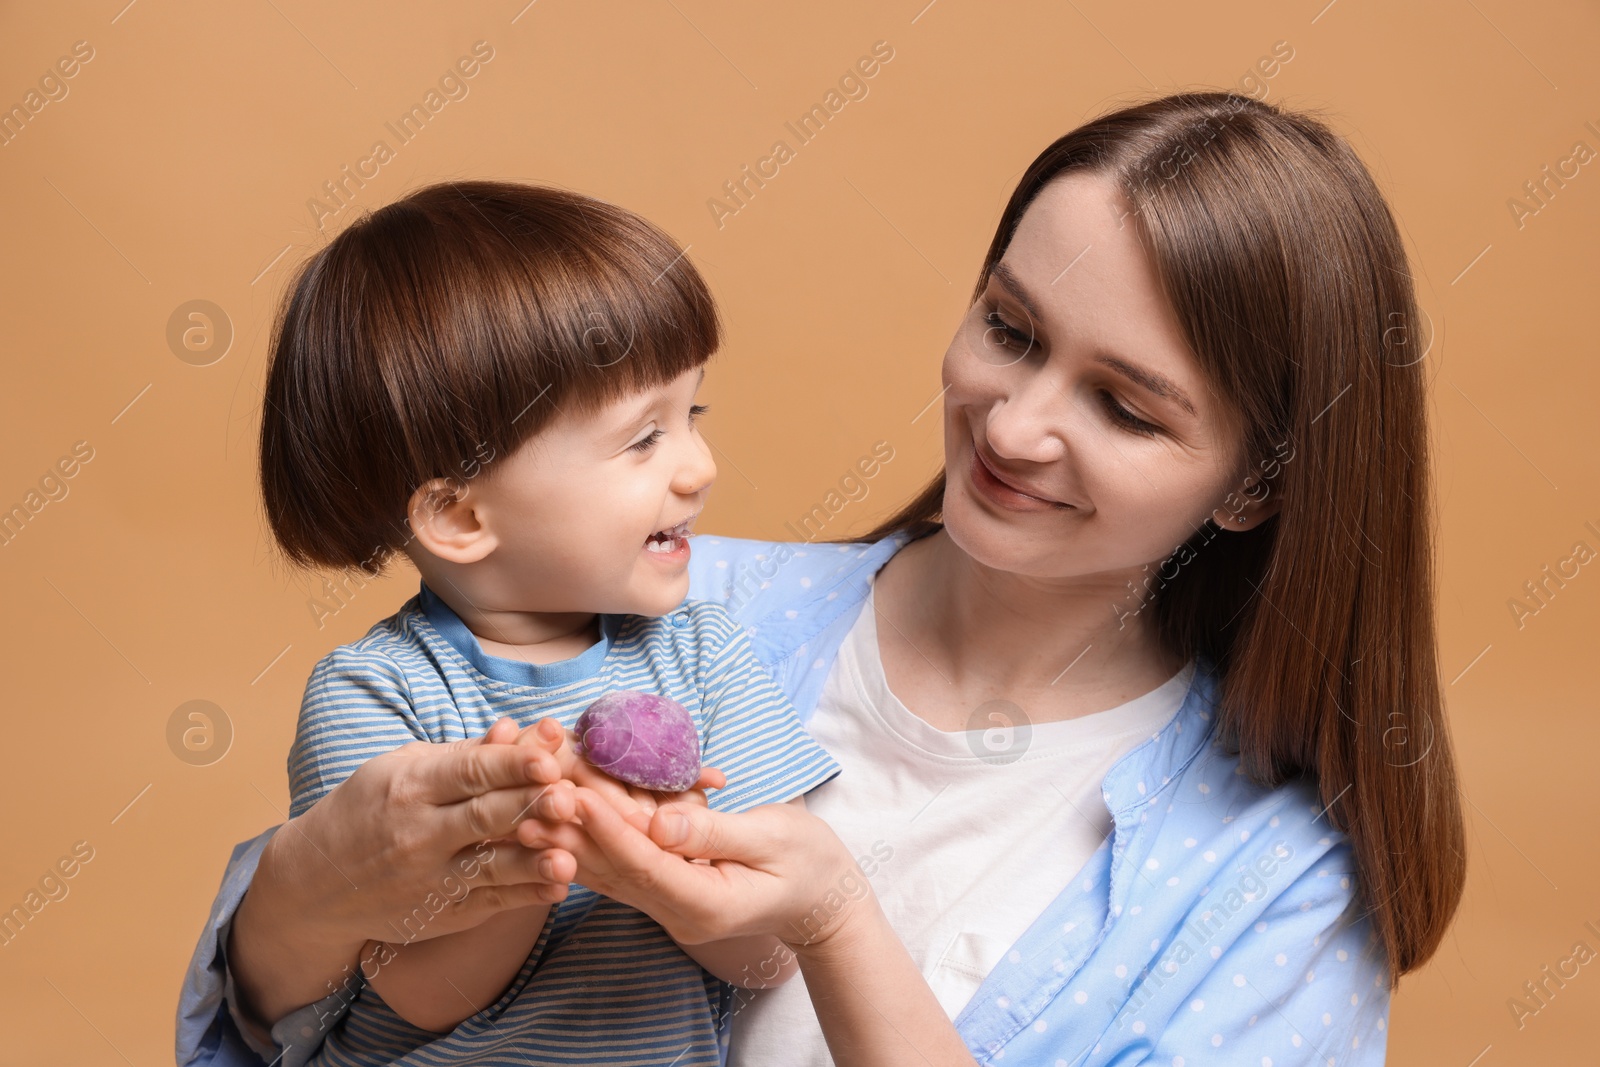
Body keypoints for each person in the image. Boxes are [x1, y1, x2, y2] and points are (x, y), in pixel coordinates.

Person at [177, 91, 1466, 1067]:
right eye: (1009, 330)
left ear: (1255, 483)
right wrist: (308, 888)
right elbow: (274, 1031)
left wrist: (834, 920)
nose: (1015, 426)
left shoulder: (1272, 886)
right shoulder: (654, 604)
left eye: (1126, 407)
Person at [234, 178, 846, 1066]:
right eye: (644, 437)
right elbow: (419, 990)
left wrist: (659, 851)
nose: (698, 467)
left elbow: (767, 952)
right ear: (461, 517)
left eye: (693, 414)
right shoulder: (375, 690)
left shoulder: (707, 655)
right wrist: (538, 841)